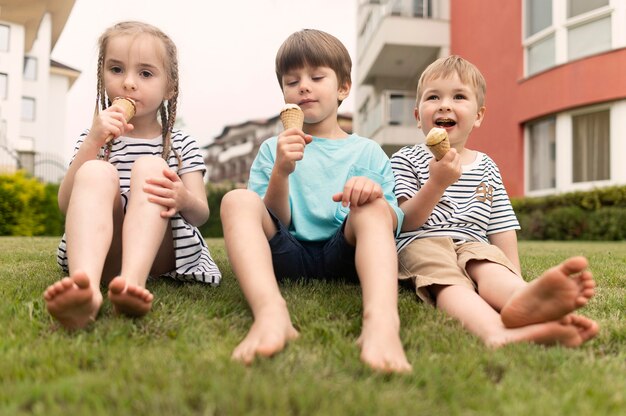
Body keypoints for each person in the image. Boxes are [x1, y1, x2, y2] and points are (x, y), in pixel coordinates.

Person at [220, 29, 411, 373]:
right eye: (292, 81)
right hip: (287, 252)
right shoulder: (272, 148)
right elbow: (276, 220)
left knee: (374, 208)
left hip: (347, 254)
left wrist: (370, 191)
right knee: (237, 200)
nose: (303, 87)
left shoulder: (367, 150)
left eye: (316, 77)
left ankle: (381, 322)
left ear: (343, 88)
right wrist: (282, 171)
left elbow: (393, 220)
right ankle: (270, 313)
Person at [391, 55, 598, 347]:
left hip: (472, 242)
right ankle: (494, 331)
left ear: (478, 115)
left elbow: (500, 225)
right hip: (423, 242)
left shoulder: (486, 165)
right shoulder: (406, 159)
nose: (445, 105)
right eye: (433, 97)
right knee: (448, 281)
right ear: (417, 116)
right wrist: (436, 184)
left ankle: (523, 299)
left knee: (488, 264)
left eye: (459, 96)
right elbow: (404, 220)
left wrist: (512, 271)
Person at [44, 21, 221, 330]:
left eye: (145, 73)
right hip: (102, 252)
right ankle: (84, 287)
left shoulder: (180, 144)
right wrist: (93, 142)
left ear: (170, 87)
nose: (128, 83)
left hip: (160, 254)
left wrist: (183, 198)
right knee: (97, 171)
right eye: (116, 70)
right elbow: (65, 204)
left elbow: (202, 214)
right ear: (102, 75)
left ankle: (131, 283)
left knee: (151, 167)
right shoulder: (94, 138)